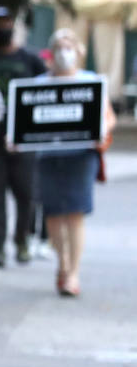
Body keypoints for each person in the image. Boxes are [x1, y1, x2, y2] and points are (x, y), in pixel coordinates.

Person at [36, 29, 116, 297]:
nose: (64, 52)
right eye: (59, 47)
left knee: (75, 213)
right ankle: (62, 263)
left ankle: (73, 273)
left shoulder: (90, 81)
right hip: (48, 156)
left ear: (79, 51)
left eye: (69, 46)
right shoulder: (38, 84)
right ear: (51, 53)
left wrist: (102, 130)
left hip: (81, 156)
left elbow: (108, 116)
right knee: (53, 214)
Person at [0, 6, 47, 268]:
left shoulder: (30, 59)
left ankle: (22, 240)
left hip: (24, 141)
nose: (0, 28)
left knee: (26, 194)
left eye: (5, 22)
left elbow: (47, 93)